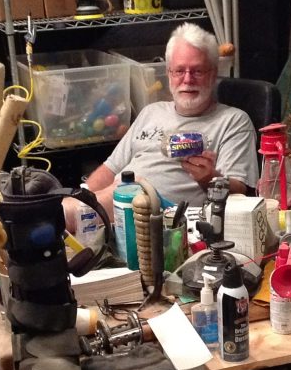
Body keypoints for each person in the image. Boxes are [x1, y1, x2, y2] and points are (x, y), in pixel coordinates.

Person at [65, 23, 258, 227]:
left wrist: (210, 178)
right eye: (179, 71)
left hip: (163, 220)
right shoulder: (151, 112)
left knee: (132, 191)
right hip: (116, 209)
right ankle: (66, 214)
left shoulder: (233, 121)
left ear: (213, 73)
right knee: (61, 205)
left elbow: (241, 194)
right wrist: (82, 194)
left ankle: (66, 216)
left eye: (198, 71)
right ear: (168, 74)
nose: (187, 79)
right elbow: (111, 169)